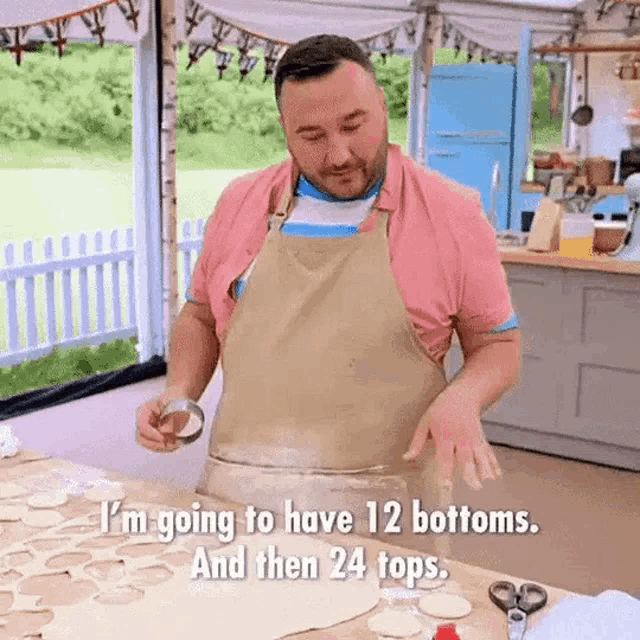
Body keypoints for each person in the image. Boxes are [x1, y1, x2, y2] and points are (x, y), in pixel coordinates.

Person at [136, 34, 521, 527]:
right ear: (284, 129)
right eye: (312, 136)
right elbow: (201, 314)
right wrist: (179, 392)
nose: (339, 154)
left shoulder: (452, 213)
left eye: (353, 126)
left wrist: (462, 398)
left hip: (387, 502)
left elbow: (498, 344)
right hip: (242, 490)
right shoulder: (240, 203)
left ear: (381, 105)